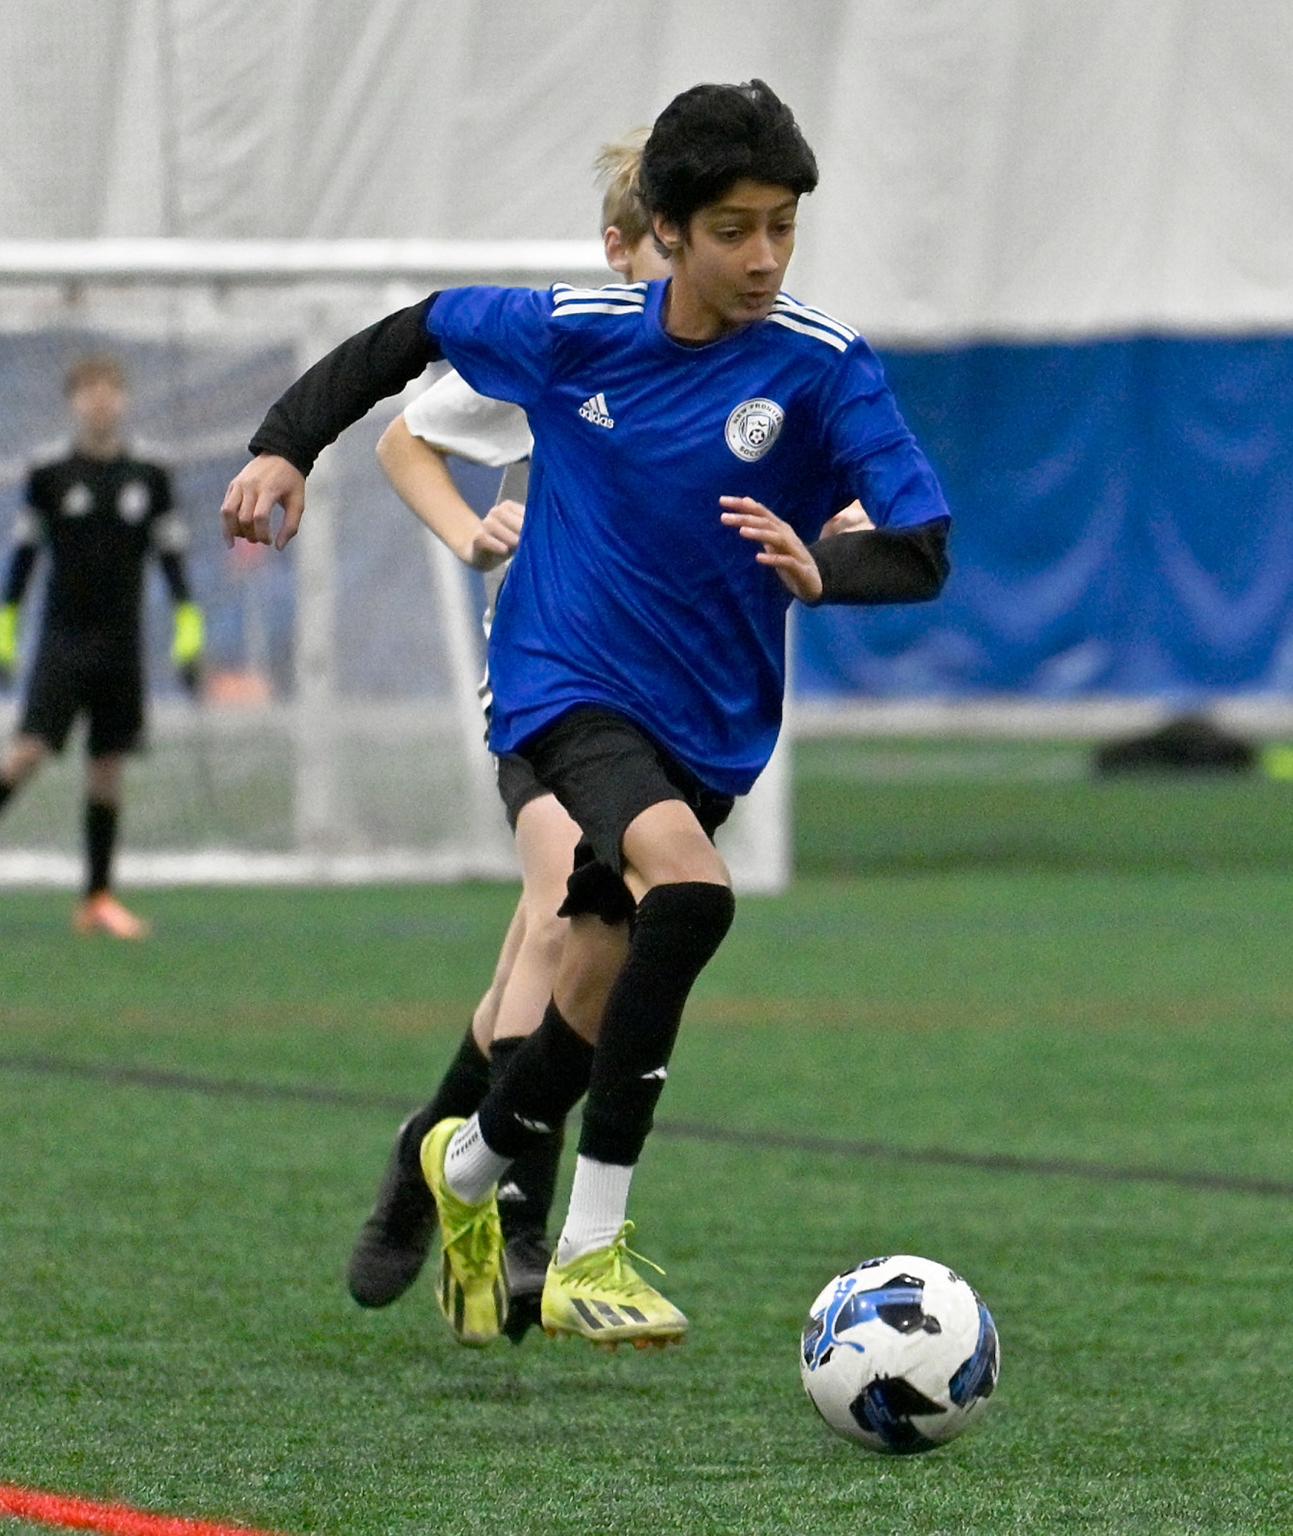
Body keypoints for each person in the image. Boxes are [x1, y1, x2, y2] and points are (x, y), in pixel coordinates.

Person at [221, 79, 951, 1350]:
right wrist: (286, 444)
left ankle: (458, 1165)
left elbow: (924, 546)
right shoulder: (575, 334)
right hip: (560, 683)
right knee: (691, 894)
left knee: (593, 976)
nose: (765, 257)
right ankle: (584, 1245)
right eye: (734, 229)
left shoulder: (825, 367)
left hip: (709, 723)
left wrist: (825, 566)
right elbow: (411, 333)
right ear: (664, 230)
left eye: (783, 227)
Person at [354, 129, 877, 1343]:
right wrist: (469, 534)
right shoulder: (570, 344)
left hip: (665, 701)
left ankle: (438, 1151)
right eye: (681, 246)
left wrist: (841, 532)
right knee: (565, 921)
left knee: (550, 964)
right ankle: (523, 1222)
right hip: (554, 686)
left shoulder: (753, 370)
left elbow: (836, 493)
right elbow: (403, 436)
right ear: (629, 247)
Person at [0, 355, 205, 939]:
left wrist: (188, 627)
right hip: (64, 642)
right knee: (27, 751)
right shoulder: (50, 473)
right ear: (73, 401)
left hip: (123, 644)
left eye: (111, 389)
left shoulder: (150, 474)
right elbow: (25, 556)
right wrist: (5, 626)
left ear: (124, 399)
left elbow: (172, 557)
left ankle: (97, 897)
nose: (101, 400)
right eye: (89, 390)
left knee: (107, 767)